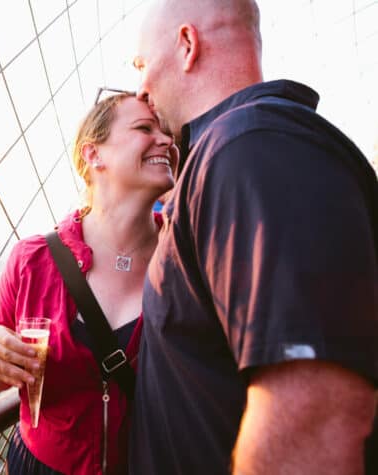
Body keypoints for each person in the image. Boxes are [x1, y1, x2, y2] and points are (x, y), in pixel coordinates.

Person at [129, 1, 378, 474]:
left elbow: (314, 416)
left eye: (142, 64)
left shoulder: (249, 146)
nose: (140, 88)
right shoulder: (241, 149)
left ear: (187, 45)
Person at [0, 92, 177, 475]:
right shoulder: (32, 261)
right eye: (145, 128)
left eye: (167, 132)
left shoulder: (188, 263)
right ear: (93, 155)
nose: (167, 140)